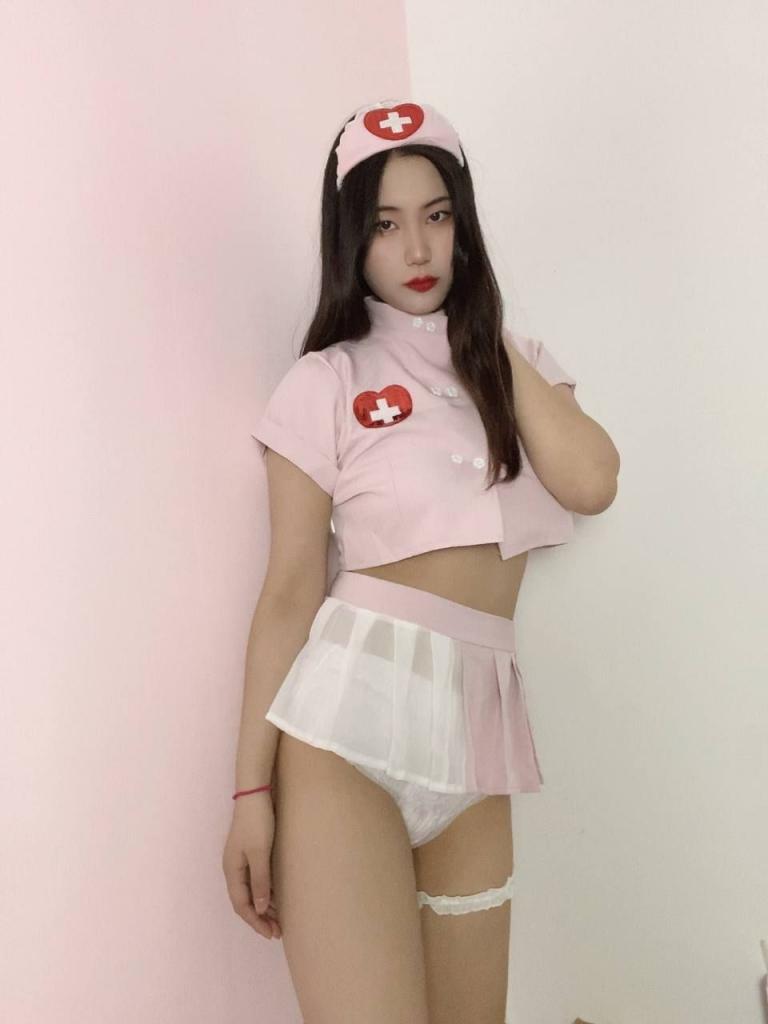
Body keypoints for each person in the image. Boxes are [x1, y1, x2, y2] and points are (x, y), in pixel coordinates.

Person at [222, 99, 620, 1023]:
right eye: (386, 225)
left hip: (479, 730)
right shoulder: (326, 380)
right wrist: (250, 792)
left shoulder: (517, 363)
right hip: (346, 728)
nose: (417, 249)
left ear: (463, 226)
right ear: (352, 241)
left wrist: (482, 336)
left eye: (437, 217)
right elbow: (288, 592)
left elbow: (593, 480)